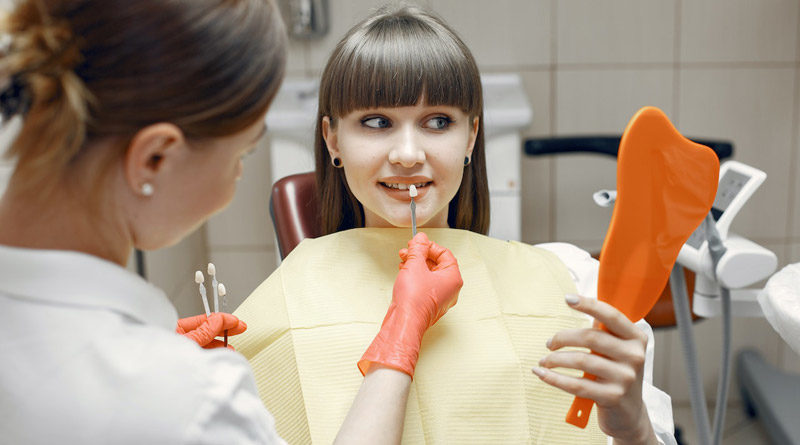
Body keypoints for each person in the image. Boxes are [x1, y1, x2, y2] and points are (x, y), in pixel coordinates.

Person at [0, 1, 462, 444]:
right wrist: (400, 338)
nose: (407, 154)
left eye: (438, 122)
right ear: (155, 158)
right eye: (240, 155)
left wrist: (159, 346)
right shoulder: (188, 400)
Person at [233, 4, 676, 445]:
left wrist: (633, 427)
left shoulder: (576, 284)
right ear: (333, 139)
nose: (408, 153)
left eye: (437, 122)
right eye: (376, 122)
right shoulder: (281, 306)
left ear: (470, 136)